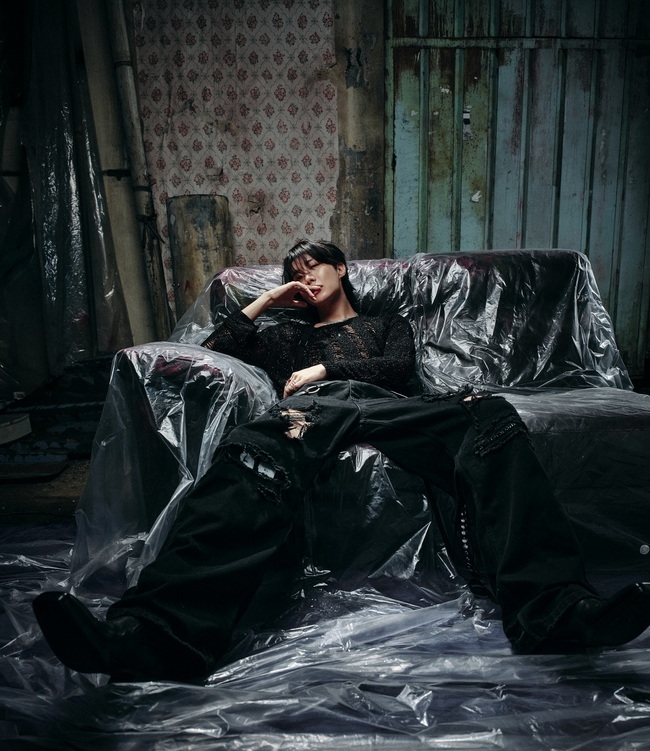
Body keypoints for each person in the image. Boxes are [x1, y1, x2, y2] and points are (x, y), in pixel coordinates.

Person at [33, 240, 650, 682]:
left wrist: (325, 366)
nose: (303, 276)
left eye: (313, 267)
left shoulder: (387, 323)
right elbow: (211, 348)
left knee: (489, 416)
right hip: (312, 412)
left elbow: (399, 370)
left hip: (388, 405)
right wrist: (268, 300)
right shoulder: (284, 334)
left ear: (342, 270)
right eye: (293, 273)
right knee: (253, 451)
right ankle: (155, 633)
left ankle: (555, 611)